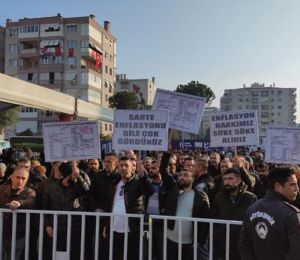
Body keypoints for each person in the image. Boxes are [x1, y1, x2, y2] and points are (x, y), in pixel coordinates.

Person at [239, 166, 300, 260]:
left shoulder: (252, 208)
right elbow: (296, 253)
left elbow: (244, 246)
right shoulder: (292, 214)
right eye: (292, 185)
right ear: (277, 186)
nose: (297, 189)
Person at [160, 152, 210, 260]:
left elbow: (205, 221)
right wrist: (167, 154)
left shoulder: (201, 197)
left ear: (193, 179)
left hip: (189, 243)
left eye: (186, 175)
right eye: (181, 175)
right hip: (170, 240)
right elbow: (164, 171)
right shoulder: (173, 189)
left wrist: (199, 241)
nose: (182, 177)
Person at [105, 156, 154, 260]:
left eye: (126, 165)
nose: (123, 168)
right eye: (121, 165)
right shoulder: (114, 182)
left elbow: (149, 192)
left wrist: (144, 177)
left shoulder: (138, 181)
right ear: (117, 167)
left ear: (133, 167)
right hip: (114, 229)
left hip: (131, 230)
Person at [212, 168, 257, 260]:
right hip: (222, 243)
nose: (227, 182)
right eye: (225, 179)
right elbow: (214, 217)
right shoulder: (219, 197)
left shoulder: (250, 198)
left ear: (239, 180)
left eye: (230, 179)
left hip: (242, 243)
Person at [0, 167, 36, 260]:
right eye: (18, 177)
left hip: (18, 235)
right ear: (11, 177)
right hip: (1, 232)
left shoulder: (30, 192)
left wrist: (20, 203)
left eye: (23, 178)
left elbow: (31, 200)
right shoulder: (2, 189)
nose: (20, 181)